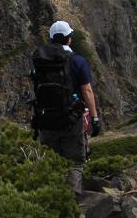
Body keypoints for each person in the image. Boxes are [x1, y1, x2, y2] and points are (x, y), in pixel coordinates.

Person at [35, 20, 101, 195]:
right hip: (71, 120)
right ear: (69, 39)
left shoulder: (39, 62)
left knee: (50, 162)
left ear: (51, 39)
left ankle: (50, 203)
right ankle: (71, 204)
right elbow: (86, 90)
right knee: (75, 162)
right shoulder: (78, 61)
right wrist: (94, 118)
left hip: (46, 120)